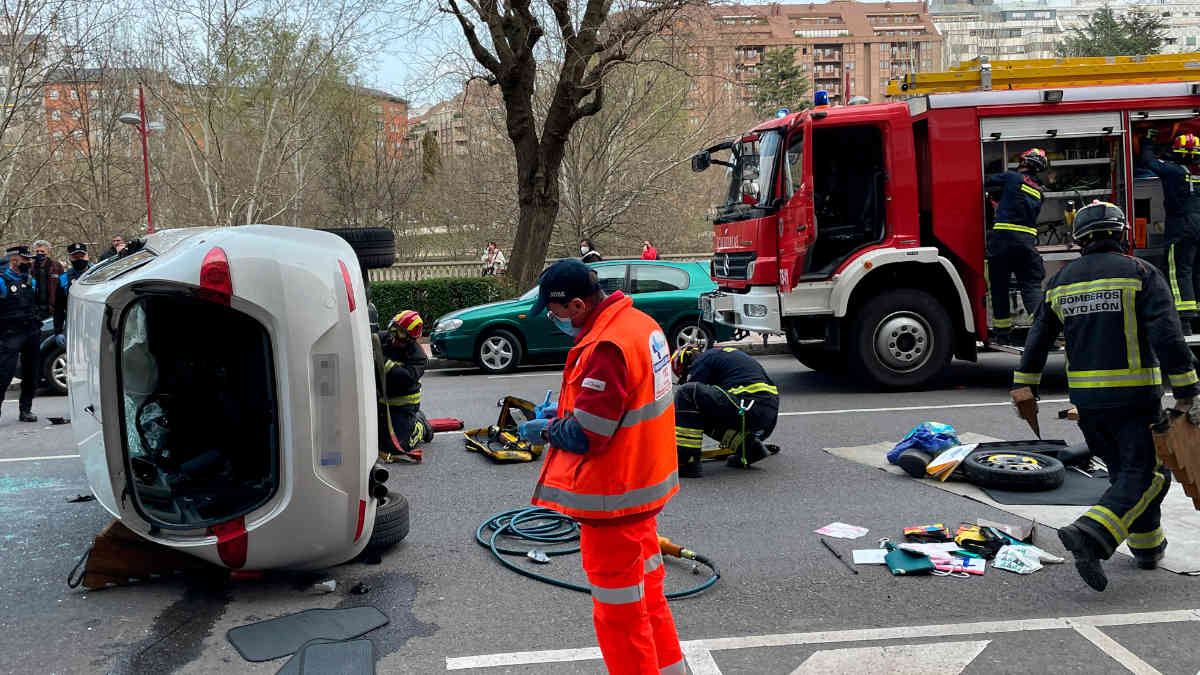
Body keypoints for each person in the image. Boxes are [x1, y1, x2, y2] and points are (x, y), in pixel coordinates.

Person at [1011, 201, 1200, 592]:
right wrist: (1187, 392)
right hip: (1134, 398)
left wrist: (1024, 384)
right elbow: (1167, 336)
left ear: (1078, 240)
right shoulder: (1141, 273)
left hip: (1088, 403)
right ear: (1121, 233)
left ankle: (1148, 550)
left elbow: (1037, 339)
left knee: (1124, 473)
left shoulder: (1060, 283)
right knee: (1150, 476)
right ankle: (1092, 533)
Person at [515, 258, 684, 675]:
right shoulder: (639, 326)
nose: (553, 320)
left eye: (554, 313)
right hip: (643, 490)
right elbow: (623, 404)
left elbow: (589, 436)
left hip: (614, 502)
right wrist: (565, 410)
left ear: (576, 306)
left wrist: (549, 429)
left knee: (619, 618)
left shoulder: (606, 347)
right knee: (648, 600)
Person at [671, 345, 780, 478]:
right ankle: (750, 448)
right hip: (764, 416)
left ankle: (687, 462)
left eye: (684, 375)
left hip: (747, 405)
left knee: (687, 393)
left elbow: (687, 406)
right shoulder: (719, 357)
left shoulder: (702, 361)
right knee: (698, 413)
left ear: (686, 363)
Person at [985, 147, 1049, 346]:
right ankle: (1044, 331)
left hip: (1003, 240)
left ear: (1023, 161)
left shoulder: (1012, 178)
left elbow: (986, 181)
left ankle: (1002, 333)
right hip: (1027, 243)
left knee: (1000, 287)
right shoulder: (1040, 191)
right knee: (1030, 286)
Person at [1140, 132, 1200, 334]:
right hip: (1197, 226)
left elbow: (1149, 162)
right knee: (1195, 271)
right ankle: (1196, 317)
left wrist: (1147, 141)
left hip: (1180, 227)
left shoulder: (1172, 170)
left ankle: (1184, 321)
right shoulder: (1193, 172)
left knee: (1178, 271)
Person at [378, 310, 432, 463]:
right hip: (381, 403)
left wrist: (383, 362)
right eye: (394, 330)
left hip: (402, 407)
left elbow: (405, 378)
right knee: (374, 441)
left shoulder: (418, 357)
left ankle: (421, 426)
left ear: (410, 339)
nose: (394, 338)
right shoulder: (383, 339)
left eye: (400, 334)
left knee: (397, 446)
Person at [0, 246, 41, 422]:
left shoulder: (30, 280)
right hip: (10, 334)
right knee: (4, 375)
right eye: (25, 259)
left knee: (31, 373)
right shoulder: (2, 280)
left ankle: (26, 410)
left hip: (31, 331)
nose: (29, 262)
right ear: (14, 260)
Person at [53, 243, 91, 343]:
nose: (79, 259)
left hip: (96, 323)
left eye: (82, 256)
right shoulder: (63, 279)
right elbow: (59, 308)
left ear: (87, 256)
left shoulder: (99, 273)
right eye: (75, 257)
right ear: (70, 258)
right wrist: (58, 331)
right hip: (74, 327)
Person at [30, 239, 63, 321]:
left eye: (42, 251)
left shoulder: (57, 266)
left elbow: (62, 284)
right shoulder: (31, 266)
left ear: (48, 251)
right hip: (35, 307)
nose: (39, 253)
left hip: (53, 307)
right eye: (37, 251)